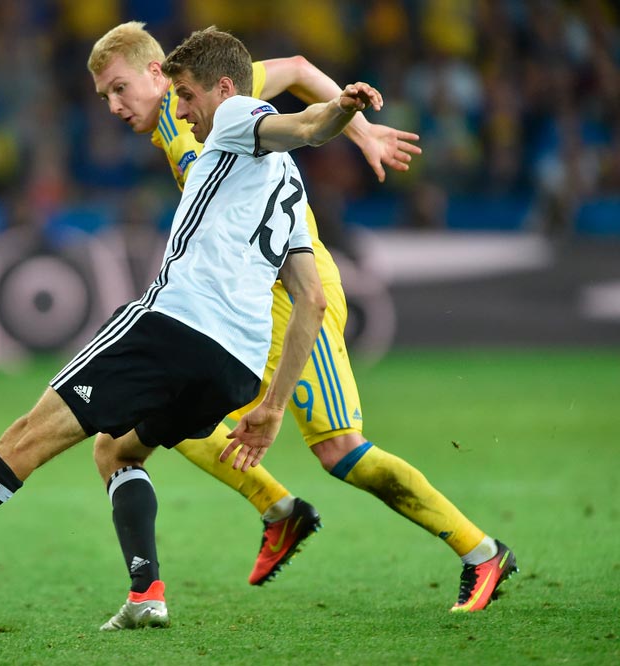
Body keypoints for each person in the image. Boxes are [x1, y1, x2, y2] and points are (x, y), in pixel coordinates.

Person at [0, 26, 374, 630]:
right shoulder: (288, 187)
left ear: (225, 90)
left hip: (176, 327)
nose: (179, 111)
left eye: (184, 96)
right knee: (117, 450)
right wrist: (273, 407)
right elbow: (310, 302)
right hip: (238, 370)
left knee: (25, 440)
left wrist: (339, 110)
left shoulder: (232, 118)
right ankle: (146, 592)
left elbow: (307, 125)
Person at [87, 22, 516, 612]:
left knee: (340, 451)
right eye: (104, 96)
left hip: (296, 290)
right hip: (245, 301)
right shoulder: (180, 116)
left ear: (157, 73)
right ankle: (278, 509)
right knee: (166, 417)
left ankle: (481, 551)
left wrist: (360, 130)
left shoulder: (218, 102)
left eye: (119, 88)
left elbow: (297, 71)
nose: (113, 106)